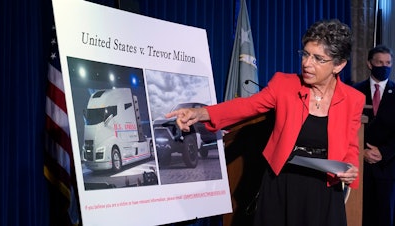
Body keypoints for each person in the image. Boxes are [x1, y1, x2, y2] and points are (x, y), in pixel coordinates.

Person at [166, 19, 365, 226]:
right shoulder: (284, 84)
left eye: (318, 58)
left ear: (339, 65)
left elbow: (350, 144)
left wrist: (349, 167)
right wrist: (200, 113)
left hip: (322, 189)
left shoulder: (353, 99)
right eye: (305, 54)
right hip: (282, 181)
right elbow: (246, 106)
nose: (307, 63)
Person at [353, 45, 395, 226]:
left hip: (388, 167)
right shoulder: (355, 91)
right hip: (361, 167)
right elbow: (348, 127)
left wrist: (384, 152)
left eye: (388, 63)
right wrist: (361, 150)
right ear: (370, 64)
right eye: (379, 63)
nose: (384, 67)